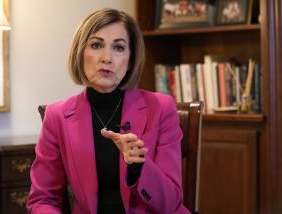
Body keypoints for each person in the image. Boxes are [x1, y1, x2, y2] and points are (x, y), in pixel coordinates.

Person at [26, 8, 189, 214]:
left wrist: (139, 166)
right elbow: (43, 199)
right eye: (96, 45)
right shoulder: (57, 116)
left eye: (119, 48)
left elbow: (171, 205)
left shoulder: (161, 108)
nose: (107, 57)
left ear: (130, 60)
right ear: (80, 53)